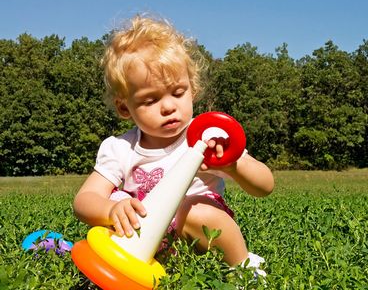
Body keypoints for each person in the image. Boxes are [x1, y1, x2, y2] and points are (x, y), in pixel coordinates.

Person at [73, 14, 274, 271]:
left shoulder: (208, 138)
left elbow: (265, 186)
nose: (168, 106)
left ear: (193, 89)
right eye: (150, 100)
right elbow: (84, 200)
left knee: (194, 209)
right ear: (125, 107)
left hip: (197, 236)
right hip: (142, 239)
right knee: (120, 197)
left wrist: (233, 165)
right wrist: (111, 209)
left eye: (178, 92)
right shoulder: (121, 148)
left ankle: (243, 267)